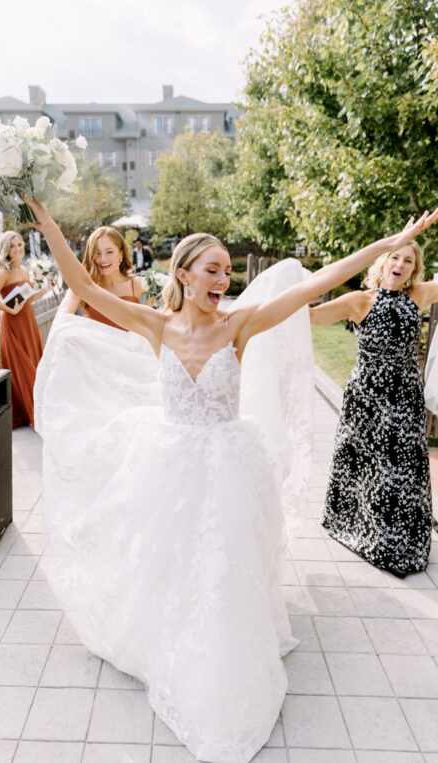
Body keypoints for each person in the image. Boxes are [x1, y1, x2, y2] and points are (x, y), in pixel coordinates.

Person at [25, 196, 437, 762]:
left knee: (223, 563)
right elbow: (84, 286)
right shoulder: (154, 324)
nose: (223, 278)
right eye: (213, 269)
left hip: (228, 465)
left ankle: (222, 659)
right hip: (167, 464)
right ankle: (167, 642)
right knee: (169, 558)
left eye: (226, 270)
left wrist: (389, 244)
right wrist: (45, 219)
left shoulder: (239, 323)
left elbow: (318, 282)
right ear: (185, 275)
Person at [310, 241, 437, 576]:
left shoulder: (419, 295)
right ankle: (365, 529)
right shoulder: (359, 300)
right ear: (382, 262)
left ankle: (399, 538)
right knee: (367, 463)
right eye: (395, 257)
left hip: (406, 396)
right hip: (368, 398)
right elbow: (311, 317)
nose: (401, 263)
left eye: (408, 260)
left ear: (414, 269)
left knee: (401, 467)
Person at [0, 231, 50, 428]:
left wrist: (44, 290)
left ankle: (36, 410)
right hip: (12, 323)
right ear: (6, 249)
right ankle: (34, 415)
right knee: (23, 368)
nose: (18, 249)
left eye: (20, 244)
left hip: (28, 321)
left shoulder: (25, 270)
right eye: (13, 246)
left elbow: (27, 299)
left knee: (34, 363)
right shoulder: (4, 272)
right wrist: (10, 309)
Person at [60, 226, 146, 329]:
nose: (103, 259)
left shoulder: (138, 285)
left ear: (121, 254)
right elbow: (62, 317)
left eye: (109, 252)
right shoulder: (83, 286)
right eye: (97, 253)